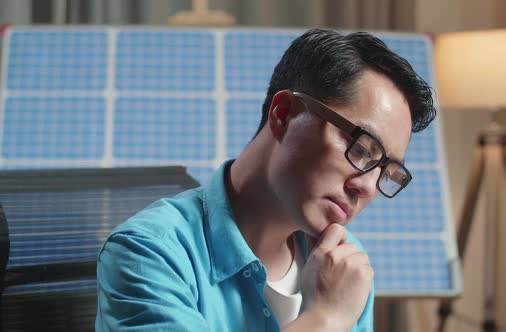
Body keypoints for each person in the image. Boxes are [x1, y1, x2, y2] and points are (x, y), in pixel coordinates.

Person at [95, 28, 436, 331]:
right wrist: (327, 318)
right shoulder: (149, 253)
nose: (365, 186)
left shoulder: (346, 263)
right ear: (284, 113)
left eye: (387, 171)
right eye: (361, 149)